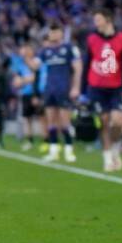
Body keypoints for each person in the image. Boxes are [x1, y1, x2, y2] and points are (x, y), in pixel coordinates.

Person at [84, 9, 122, 172]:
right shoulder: (91, 39)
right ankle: (107, 159)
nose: (95, 22)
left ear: (108, 19)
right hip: (96, 86)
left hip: (115, 87)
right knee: (103, 122)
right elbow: (87, 63)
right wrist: (84, 90)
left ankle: (116, 150)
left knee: (117, 122)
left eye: (98, 19)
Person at [27, 25, 82, 163]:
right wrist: (27, 57)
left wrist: (75, 87)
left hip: (64, 88)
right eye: (51, 33)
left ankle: (69, 150)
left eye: (55, 32)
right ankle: (53, 150)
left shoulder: (70, 49)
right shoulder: (45, 51)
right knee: (51, 121)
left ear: (61, 34)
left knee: (65, 121)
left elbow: (78, 68)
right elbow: (35, 66)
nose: (52, 35)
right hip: (50, 89)